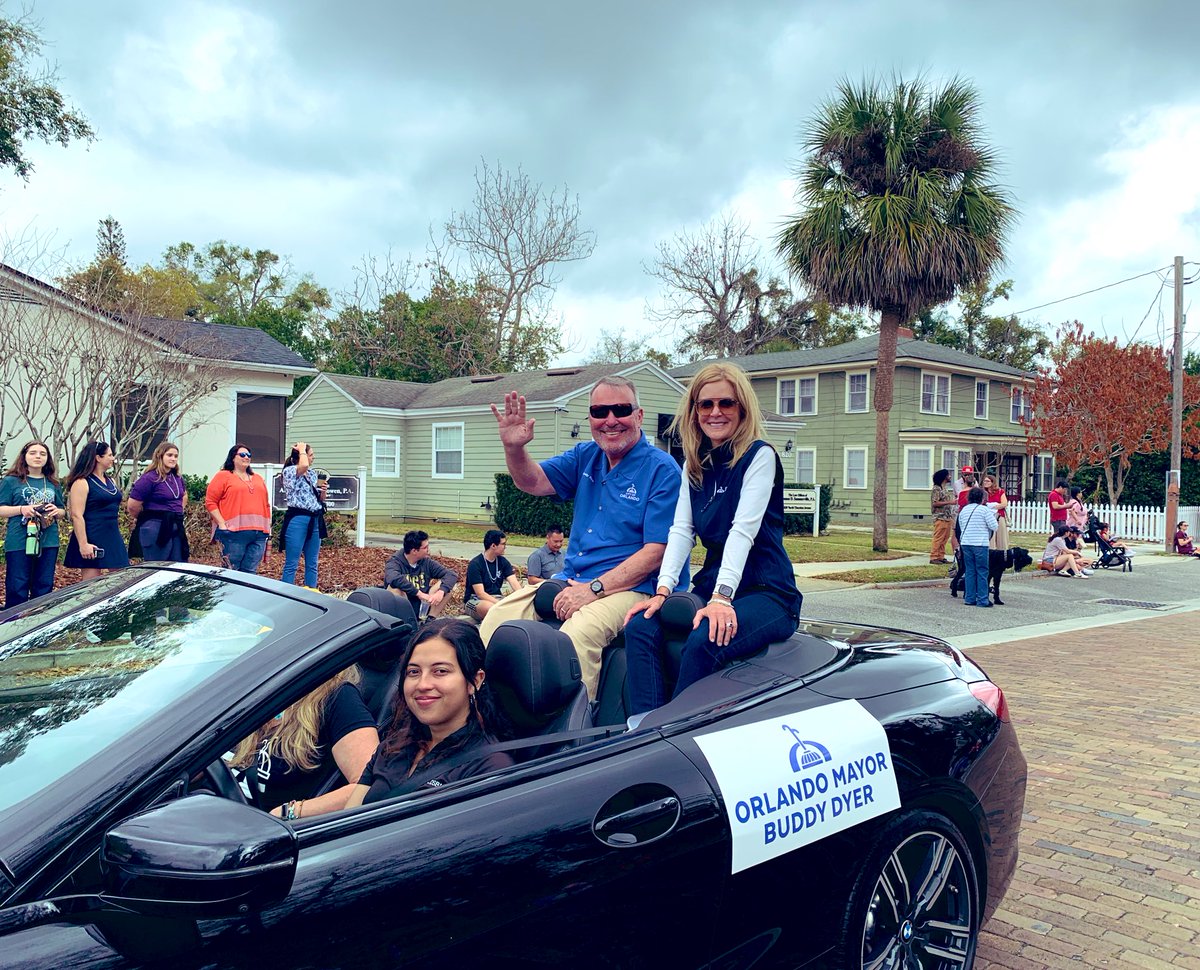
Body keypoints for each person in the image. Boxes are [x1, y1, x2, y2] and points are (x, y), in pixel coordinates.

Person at [480, 376, 682, 698]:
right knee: (497, 619)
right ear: (590, 418)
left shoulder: (662, 469)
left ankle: (577, 723)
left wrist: (594, 589)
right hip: (574, 578)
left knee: (575, 637)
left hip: (635, 587)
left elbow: (657, 552)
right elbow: (533, 481)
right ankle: (488, 708)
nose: (610, 420)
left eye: (621, 410)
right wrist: (514, 448)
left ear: (639, 415)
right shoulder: (586, 456)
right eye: (600, 412)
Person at [622, 364, 801, 714]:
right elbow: (681, 530)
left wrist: (721, 598)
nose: (715, 412)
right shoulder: (694, 464)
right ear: (695, 411)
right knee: (641, 627)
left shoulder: (759, 456)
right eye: (706, 404)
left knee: (707, 637)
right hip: (714, 583)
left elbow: (742, 531)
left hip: (767, 591)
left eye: (726, 403)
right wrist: (662, 591)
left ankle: (678, 730)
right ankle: (644, 728)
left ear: (742, 408)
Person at [343, 619, 514, 809]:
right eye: (414, 672)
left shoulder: (488, 769)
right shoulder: (392, 745)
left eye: (440, 671)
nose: (423, 684)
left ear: (475, 680)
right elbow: (347, 818)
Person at [229, 666, 379, 820]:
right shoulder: (255, 691)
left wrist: (288, 812)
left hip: (265, 828)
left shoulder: (339, 698)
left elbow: (368, 785)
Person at [0, 440, 66, 607]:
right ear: (24, 456)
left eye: (42, 454)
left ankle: (40, 620)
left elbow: (62, 510)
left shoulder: (53, 483)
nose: (38, 457)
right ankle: (15, 621)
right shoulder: (11, 481)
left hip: (48, 540)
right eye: (33, 453)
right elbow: (1, 509)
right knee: (17, 587)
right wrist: (22, 509)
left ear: (47, 458)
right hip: (19, 540)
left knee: (44, 586)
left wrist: (56, 511)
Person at [63, 441, 130, 580]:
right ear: (98, 458)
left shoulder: (111, 481)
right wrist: (83, 544)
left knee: (121, 578)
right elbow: (76, 515)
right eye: (109, 455)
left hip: (112, 534)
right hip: (91, 534)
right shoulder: (81, 482)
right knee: (91, 583)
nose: (113, 458)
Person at [204, 443, 271, 574]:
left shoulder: (258, 478)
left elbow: (266, 504)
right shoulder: (223, 476)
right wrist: (222, 524)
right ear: (233, 458)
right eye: (242, 454)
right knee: (231, 571)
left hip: (259, 533)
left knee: (250, 572)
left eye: (249, 455)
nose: (246, 457)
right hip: (233, 532)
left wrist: (268, 527)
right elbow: (210, 502)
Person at [126, 441, 190, 563]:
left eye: (176, 456)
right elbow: (133, 505)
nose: (173, 459)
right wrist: (144, 517)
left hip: (175, 525)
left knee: (178, 565)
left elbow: (184, 495)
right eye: (169, 455)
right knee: (157, 565)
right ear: (160, 455)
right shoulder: (149, 478)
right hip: (155, 526)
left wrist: (177, 511)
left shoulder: (177, 478)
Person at [279, 441, 327, 587]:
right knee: (292, 562)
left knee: (312, 562)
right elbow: (303, 465)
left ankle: (311, 590)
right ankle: (286, 592)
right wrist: (301, 449)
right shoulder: (290, 471)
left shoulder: (312, 474)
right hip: (298, 519)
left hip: (314, 518)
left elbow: (318, 499)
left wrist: (323, 492)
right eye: (310, 455)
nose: (313, 458)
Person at [384, 530, 457, 618]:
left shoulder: (426, 562)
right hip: (404, 606)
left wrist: (441, 592)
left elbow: (451, 574)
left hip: (423, 605)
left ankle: (430, 619)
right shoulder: (395, 562)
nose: (428, 550)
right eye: (425, 547)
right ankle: (405, 621)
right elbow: (393, 578)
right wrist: (419, 594)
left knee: (446, 587)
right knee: (394, 589)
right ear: (414, 551)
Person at [465, 529, 521, 620]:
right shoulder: (475, 564)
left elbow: (515, 584)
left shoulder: (503, 562)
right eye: (503, 544)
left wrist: (522, 597)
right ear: (493, 545)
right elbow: (480, 594)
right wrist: (500, 604)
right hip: (477, 600)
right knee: (491, 608)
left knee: (516, 607)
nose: (505, 547)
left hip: (497, 598)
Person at [957, 486, 997, 607]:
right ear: (982, 498)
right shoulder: (984, 510)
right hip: (980, 543)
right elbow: (994, 526)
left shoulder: (964, 510)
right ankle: (982, 599)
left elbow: (961, 525)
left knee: (969, 571)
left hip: (966, 543)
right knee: (982, 571)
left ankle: (969, 598)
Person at [980, 472, 1010, 605]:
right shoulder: (982, 492)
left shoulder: (1000, 491)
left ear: (993, 482)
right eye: (985, 481)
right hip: (988, 517)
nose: (986, 483)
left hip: (999, 516)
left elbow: (1004, 503)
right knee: (990, 540)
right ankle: (991, 556)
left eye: (988, 481)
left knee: (1001, 539)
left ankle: (1002, 556)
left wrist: (993, 505)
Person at [929, 469, 957, 564]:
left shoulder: (944, 488)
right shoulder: (936, 489)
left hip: (947, 517)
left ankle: (940, 556)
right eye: (948, 475)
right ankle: (934, 557)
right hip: (940, 517)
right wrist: (950, 502)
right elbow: (935, 503)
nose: (950, 476)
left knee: (945, 538)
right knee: (938, 537)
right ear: (944, 477)